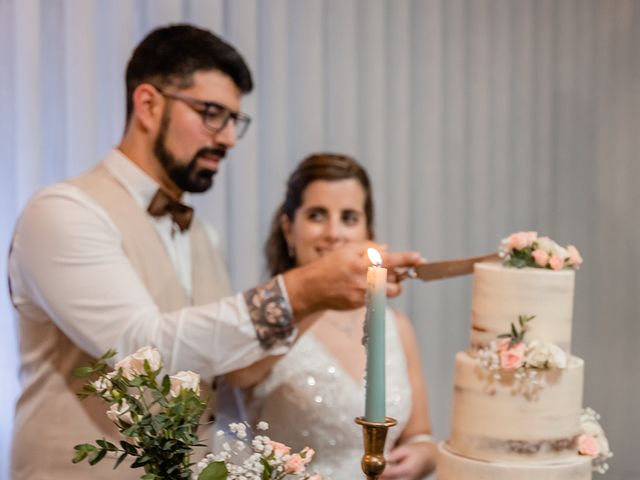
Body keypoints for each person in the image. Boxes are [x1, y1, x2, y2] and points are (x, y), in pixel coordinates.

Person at [7, 25, 422, 480]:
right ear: (147, 104)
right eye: (211, 114)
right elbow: (140, 349)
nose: (228, 139)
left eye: (233, 121)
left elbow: (228, 374)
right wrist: (303, 290)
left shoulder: (204, 235)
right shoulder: (65, 212)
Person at [222, 153, 436, 480]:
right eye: (317, 215)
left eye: (349, 218)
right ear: (288, 228)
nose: (334, 233)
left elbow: (420, 434)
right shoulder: (263, 319)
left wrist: (422, 455)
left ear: (368, 232)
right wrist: (316, 295)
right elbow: (238, 374)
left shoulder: (398, 328)